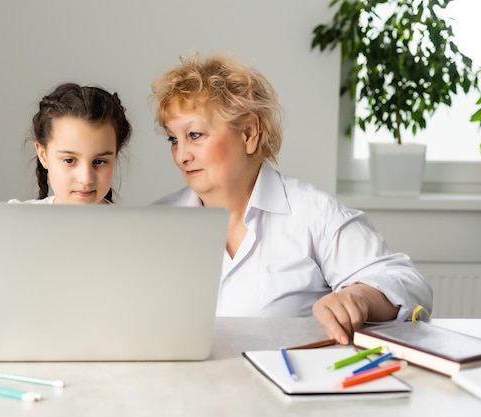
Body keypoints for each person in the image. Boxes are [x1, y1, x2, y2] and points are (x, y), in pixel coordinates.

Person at [150, 54, 433, 345]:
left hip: (284, 385)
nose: (181, 155)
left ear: (248, 133)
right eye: (174, 139)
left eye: (195, 135)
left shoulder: (312, 213)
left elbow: (410, 285)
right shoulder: (156, 223)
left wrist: (358, 297)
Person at [0, 83, 132, 309]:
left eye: (100, 162)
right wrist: (15, 302)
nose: (85, 178)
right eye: (69, 160)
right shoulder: (14, 221)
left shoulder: (135, 233)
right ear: (43, 155)